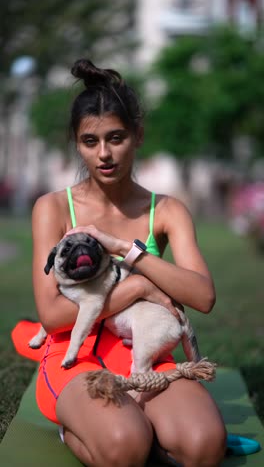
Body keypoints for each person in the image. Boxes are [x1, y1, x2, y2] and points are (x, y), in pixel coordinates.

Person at [15, 59, 227, 466]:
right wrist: (140, 286)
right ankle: (79, 425)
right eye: (89, 142)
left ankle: (140, 424)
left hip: (137, 351)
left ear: (138, 135)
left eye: (116, 138)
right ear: (77, 144)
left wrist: (129, 251)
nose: (104, 154)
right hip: (72, 354)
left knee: (203, 446)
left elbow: (203, 296)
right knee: (126, 445)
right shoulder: (53, 207)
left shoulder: (165, 210)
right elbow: (54, 314)